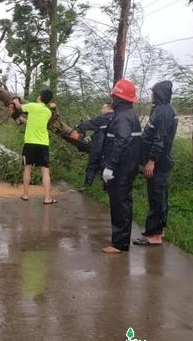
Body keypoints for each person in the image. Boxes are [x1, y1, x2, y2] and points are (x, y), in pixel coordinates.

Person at [133, 80, 178, 246]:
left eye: (153, 92)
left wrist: (151, 160)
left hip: (158, 162)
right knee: (159, 196)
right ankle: (156, 229)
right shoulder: (161, 109)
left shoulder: (164, 112)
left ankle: (155, 235)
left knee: (157, 197)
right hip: (160, 160)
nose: (151, 94)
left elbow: (161, 140)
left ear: (159, 93)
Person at [100, 79, 142, 254]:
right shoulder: (128, 114)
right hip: (127, 166)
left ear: (120, 98)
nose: (112, 99)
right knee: (123, 203)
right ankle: (120, 239)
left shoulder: (123, 117)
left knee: (120, 204)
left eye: (114, 96)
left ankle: (119, 243)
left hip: (121, 169)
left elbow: (122, 141)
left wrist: (110, 166)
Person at [10, 89, 57, 204]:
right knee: (45, 171)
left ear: (40, 97)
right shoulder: (48, 112)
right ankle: (47, 198)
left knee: (27, 168)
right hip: (43, 144)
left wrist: (16, 99)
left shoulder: (32, 106)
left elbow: (18, 106)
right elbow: (34, 122)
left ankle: (25, 195)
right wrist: (22, 120)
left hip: (30, 143)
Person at [69, 102, 114, 188]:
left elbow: (88, 124)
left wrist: (77, 129)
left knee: (92, 167)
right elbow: (101, 132)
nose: (102, 110)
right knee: (106, 169)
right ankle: (106, 190)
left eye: (103, 108)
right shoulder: (118, 119)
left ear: (108, 109)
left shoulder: (103, 118)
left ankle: (86, 187)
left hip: (98, 148)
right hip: (110, 151)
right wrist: (89, 138)